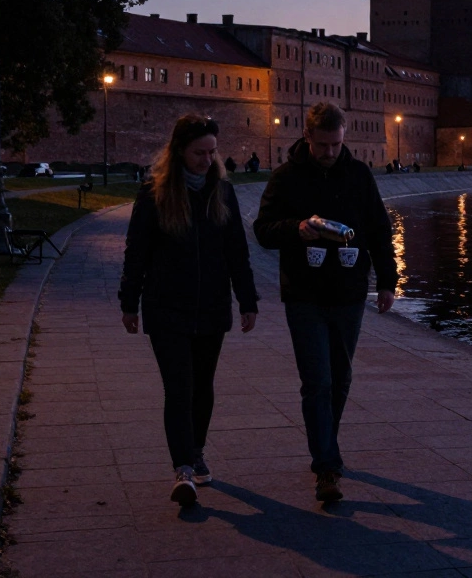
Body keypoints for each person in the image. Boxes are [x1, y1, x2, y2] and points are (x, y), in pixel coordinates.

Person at [253, 102, 398, 503]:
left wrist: (387, 281)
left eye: (337, 144)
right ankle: (327, 467)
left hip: (350, 293)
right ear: (307, 137)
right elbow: (263, 230)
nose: (331, 152)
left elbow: (379, 230)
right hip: (304, 294)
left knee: (341, 378)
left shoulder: (358, 175)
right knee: (317, 380)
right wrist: (295, 229)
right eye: (323, 145)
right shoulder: (286, 178)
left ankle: (325, 448)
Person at [119, 115, 259, 507]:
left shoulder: (223, 193)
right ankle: (182, 468)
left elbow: (237, 253)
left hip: (212, 306)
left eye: (212, 152)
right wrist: (128, 302)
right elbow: (137, 252)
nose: (206, 159)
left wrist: (248, 301)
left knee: (203, 386)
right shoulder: (154, 193)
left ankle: (195, 449)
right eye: (199, 152)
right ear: (179, 150)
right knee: (179, 387)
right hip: (167, 307)